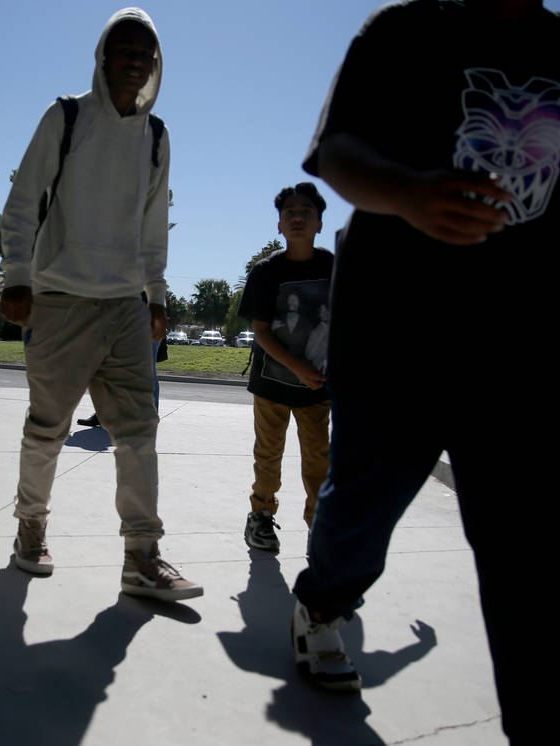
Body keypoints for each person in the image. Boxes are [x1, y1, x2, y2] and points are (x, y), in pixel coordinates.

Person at [290, 1, 557, 739]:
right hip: (396, 333)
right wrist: (406, 193)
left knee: (525, 551)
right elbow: (337, 151)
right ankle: (322, 603)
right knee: (366, 504)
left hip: (520, 352)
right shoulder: (401, 33)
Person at [0, 8, 201, 602]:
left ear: (155, 64)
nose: (136, 61)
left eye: (146, 54)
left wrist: (156, 296)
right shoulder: (66, 117)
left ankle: (142, 555)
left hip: (126, 308)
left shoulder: (158, 138)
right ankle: (29, 528)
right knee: (48, 429)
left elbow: (153, 227)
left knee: (139, 431)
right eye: (126, 50)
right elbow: (22, 200)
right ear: (104, 57)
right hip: (61, 301)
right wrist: (17, 276)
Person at [238, 183, 333, 554]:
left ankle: (319, 522)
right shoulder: (266, 271)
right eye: (289, 212)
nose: (297, 218)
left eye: (306, 212)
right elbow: (260, 331)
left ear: (320, 223)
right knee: (268, 455)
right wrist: (297, 368)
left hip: (317, 387)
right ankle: (260, 515)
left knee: (318, 457)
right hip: (272, 385)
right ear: (279, 225)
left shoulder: (332, 267)